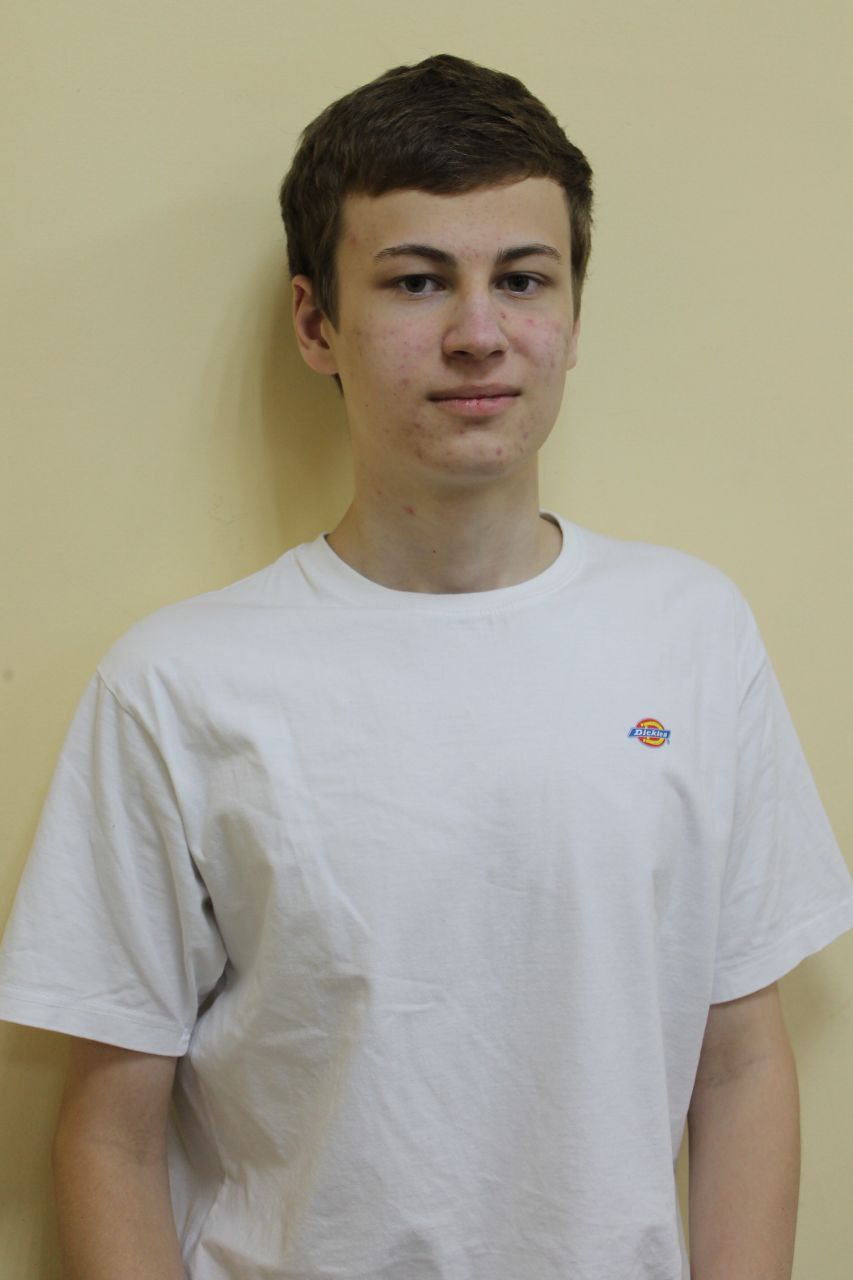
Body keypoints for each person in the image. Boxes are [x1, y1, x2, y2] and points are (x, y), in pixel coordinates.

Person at [0, 52, 851, 1280]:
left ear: (571, 314)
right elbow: (111, 1132)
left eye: (523, 279)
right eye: (415, 281)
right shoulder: (176, 686)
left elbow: (740, 1063)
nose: (478, 335)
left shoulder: (691, 630)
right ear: (316, 323)